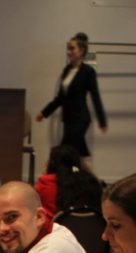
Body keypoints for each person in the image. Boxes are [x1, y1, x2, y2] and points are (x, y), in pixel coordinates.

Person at [35, 33, 108, 163]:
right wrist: (44, 112)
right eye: (68, 48)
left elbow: (95, 97)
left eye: (72, 48)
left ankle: (53, 175)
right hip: (69, 119)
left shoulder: (88, 72)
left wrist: (102, 121)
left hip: (80, 119)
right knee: (80, 152)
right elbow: (60, 98)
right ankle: (91, 180)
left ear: (81, 50)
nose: (69, 51)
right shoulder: (67, 70)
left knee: (65, 150)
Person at [34, 144, 103, 216]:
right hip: (89, 226)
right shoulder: (90, 181)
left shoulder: (45, 182)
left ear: (52, 163)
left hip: (55, 226)